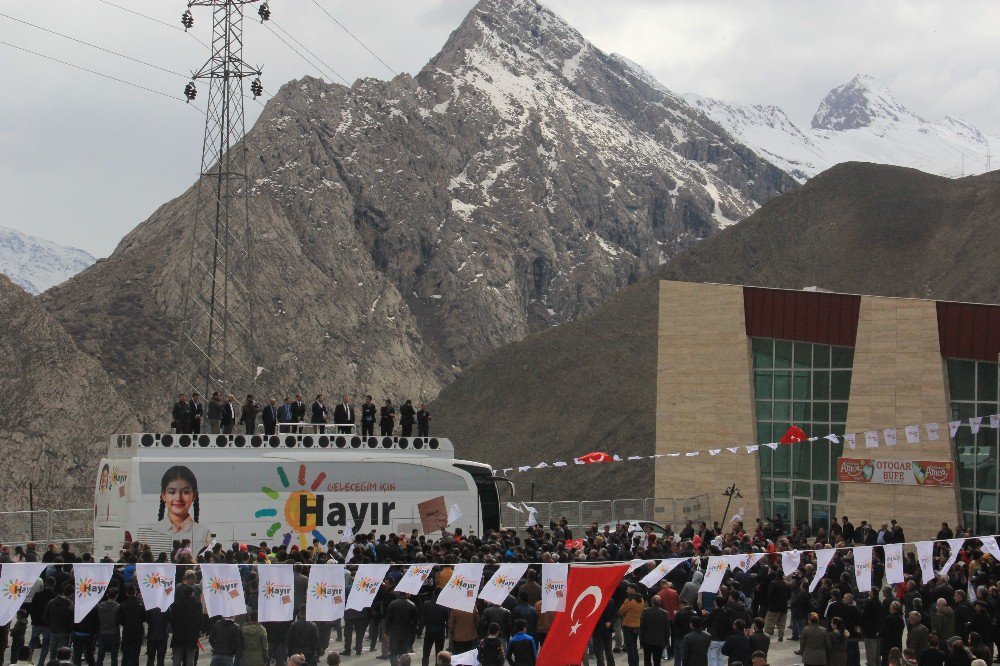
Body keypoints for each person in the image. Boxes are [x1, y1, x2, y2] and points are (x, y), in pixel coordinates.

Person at [152, 465, 211, 548]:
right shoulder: (150, 533)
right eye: (172, 492)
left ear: (194, 495)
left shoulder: (204, 534)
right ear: (163, 495)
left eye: (185, 492)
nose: (178, 498)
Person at [167, 586, 201, 666]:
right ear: (192, 593)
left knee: (177, 657)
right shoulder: (197, 605)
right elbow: (200, 620)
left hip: (178, 634)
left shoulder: (175, 604)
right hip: (191, 634)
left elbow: (171, 619)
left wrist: (174, 628)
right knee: (190, 657)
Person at [43, 583, 74, 665]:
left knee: (53, 651)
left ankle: (52, 664)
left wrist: (51, 625)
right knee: (64, 653)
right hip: (65, 631)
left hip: (54, 630)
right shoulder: (70, 604)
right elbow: (72, 619)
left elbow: (45, 617)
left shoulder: (51, 602)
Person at [385, 592, 419, 666]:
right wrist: (413, 634)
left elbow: (388, 619)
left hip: (394, 631)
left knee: (393, 652)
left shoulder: (392, 603)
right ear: (407, 594)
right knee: (403, 653)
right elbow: (415, 622)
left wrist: (386, 632)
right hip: (406, 632)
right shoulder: (412, 605)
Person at [420, 590, 449, 666]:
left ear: (433, 593)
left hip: (429, 630)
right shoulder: (444, 605)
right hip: (440, 631)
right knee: (439, 653)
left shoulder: (427, 604)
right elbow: (447, 619)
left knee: (426, 652)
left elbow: (423, 618)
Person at [118, 586, 144, 666]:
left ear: (126, 593)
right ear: (135, 592)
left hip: (127, 630)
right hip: (138, 630)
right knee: (136, 654)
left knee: (126, 653)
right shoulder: (141, 604)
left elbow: (120, 620)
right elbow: (144, 617)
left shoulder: (122, 605)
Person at [640, 597, 670, 666]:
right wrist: (666, 640)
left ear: (652, 602)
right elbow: (667, 628)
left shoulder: (645, 611)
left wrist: (641, 637)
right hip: (659, 640)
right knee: (657, 660)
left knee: (647, 659)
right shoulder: (665, 613)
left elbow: (642, 625)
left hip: (647, 639)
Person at [620, 588, 645, 666]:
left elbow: (621, 611)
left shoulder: (629, 600)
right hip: (637, 625)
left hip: (628, 625)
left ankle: (632, 664)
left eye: (628, 589)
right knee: (634, 646)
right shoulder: (641, 599)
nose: (627, 590)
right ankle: (636, 663)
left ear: (633, 590)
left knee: (630, 647)